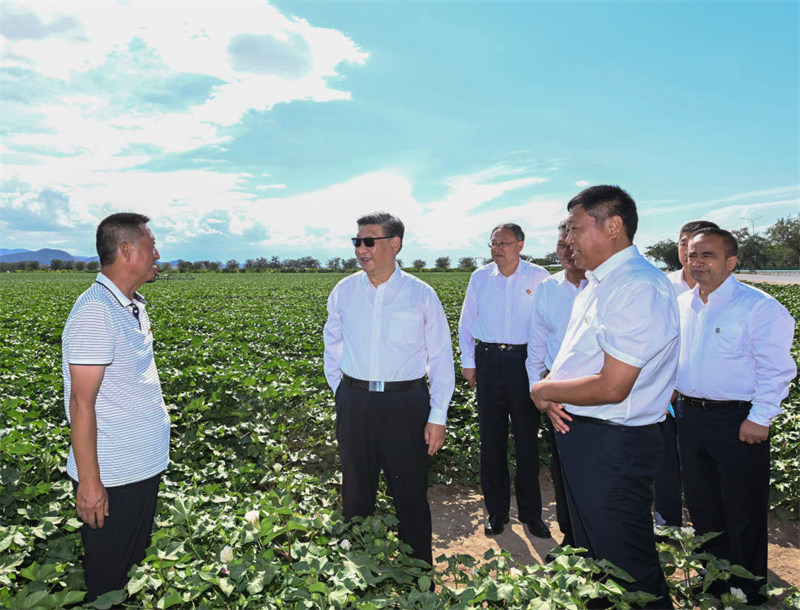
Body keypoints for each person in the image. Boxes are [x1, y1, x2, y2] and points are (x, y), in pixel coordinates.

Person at [530, 185, 678, 607]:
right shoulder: (598, 283)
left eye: (575, 228)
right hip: (588, 434)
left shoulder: (636, 287)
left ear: (613, 226)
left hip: (613, 442)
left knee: (626, 564)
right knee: (595, 557)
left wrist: (544, 389)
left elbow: (614, 384)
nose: (568, 238)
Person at [323, 212, 455, 565]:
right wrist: (343, 392)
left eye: (369, 241)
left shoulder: (421, 295)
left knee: (410, 494)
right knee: (355, 494)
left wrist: (437, 415)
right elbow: (331, 345)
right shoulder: (344, 292)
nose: (360, 249)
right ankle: (354, 574)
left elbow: (441, 358)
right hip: (356, 401)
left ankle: (418, 574)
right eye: (357, 242)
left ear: (394, 244)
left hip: (406, 404)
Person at [675, 228, 795, 605]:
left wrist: (760, 418)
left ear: (731, 262)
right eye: (693, 254)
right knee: (703, 506)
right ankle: (713, 582)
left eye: (708, 255)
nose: (698, 262)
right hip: (690, 418)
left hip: (738, 421)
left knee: (742, 510)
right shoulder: (683, 305)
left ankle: (748, 590)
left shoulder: (757, 307)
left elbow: (776, 369)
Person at [62, 212, 169, 602]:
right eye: (151, 245)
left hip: (139, 469)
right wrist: (90, 484)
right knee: (108, 585)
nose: (157, 253)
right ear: (126, 251)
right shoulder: (96, 312)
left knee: (130, 573)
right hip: (113, 478)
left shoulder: (130, 305)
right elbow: (81, 403)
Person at [458, 223, 551, 538]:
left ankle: (531, 515)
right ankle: (496, 513)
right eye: (493, 243)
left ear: (520, 245)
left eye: (504, 243)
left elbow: (546, 326)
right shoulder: (480, 277)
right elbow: (467, 321)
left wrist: (540, 370)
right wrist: (469, 363)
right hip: (489, 361)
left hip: (526, 362)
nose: (497, 248)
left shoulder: (539, 277)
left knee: (527, 441)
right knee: (492, 441)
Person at [526, 219, 586, 554]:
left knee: (595, 471)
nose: (564, 251)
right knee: (563, 469)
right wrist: (540, 391)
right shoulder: (549, 288)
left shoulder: (604, 286)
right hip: (556, 392)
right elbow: (537, 344)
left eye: (570, 243)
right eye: (560, 244)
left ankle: (595, 541)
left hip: (600, 392)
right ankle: (571, 538)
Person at [655, 219, 718, 529]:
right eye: (683, 244)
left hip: (704, 397)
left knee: (704, 470)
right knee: (666, 461)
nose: (688, 252)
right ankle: (667, 524)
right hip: (665, 392)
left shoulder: (726, 294)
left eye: (696, 246)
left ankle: (710, 535)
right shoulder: (662, 284)